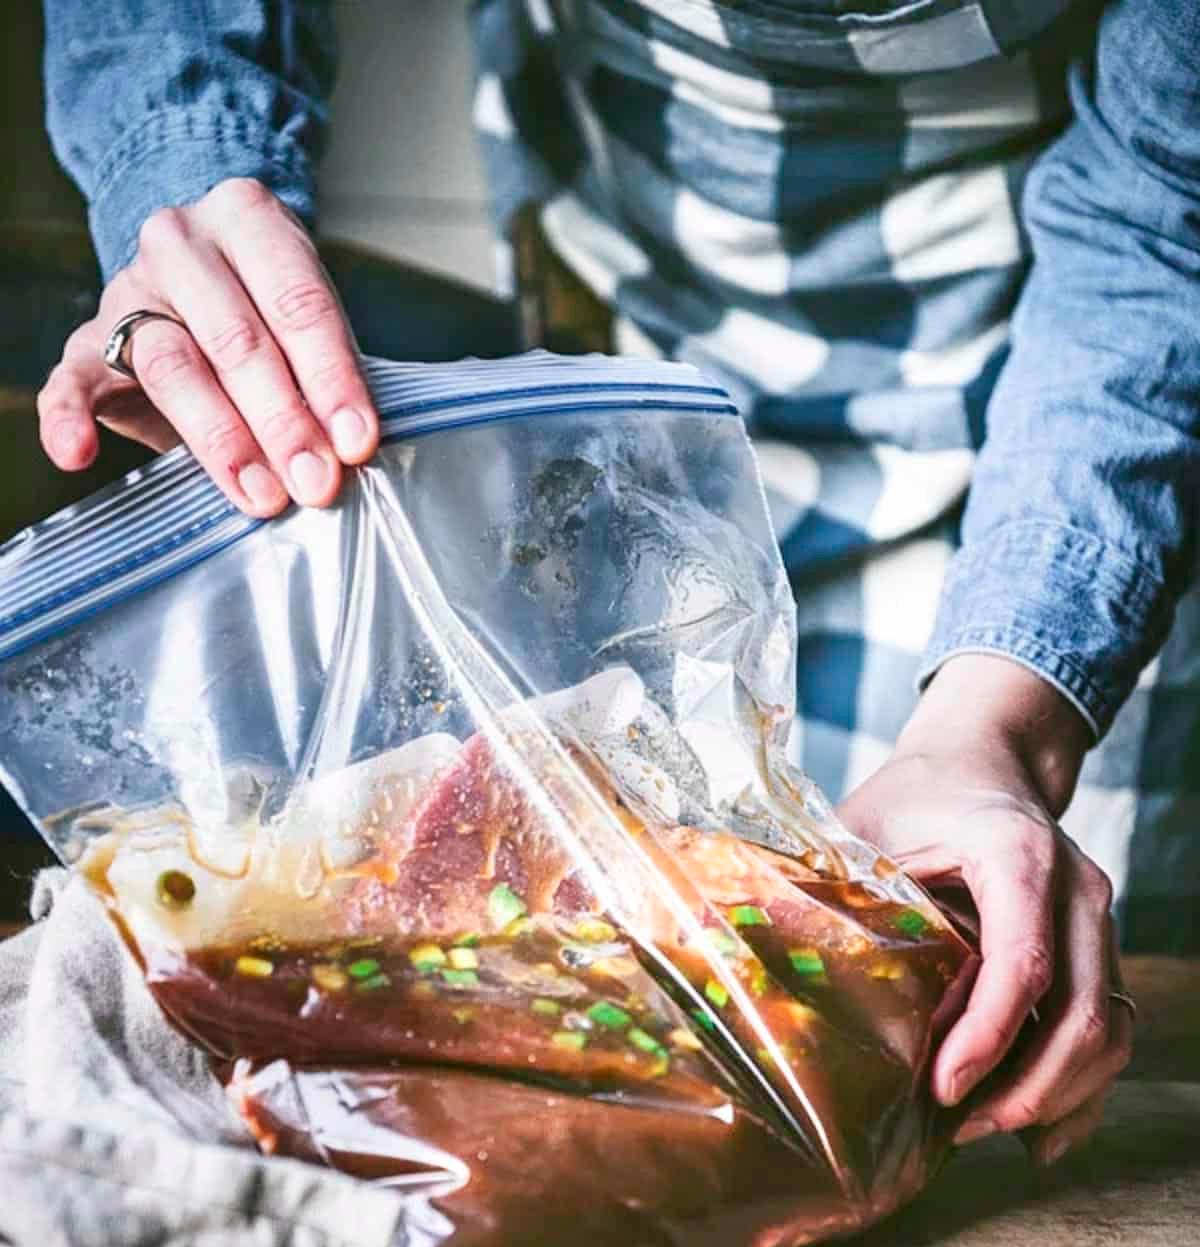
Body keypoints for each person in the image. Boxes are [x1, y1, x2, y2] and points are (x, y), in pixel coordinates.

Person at [34, 0, 1199, 1165]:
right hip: (641, 382)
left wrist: (992, 730)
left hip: (1055, 423)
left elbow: (1158, 232)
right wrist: (185, 168)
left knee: (990, 1022)